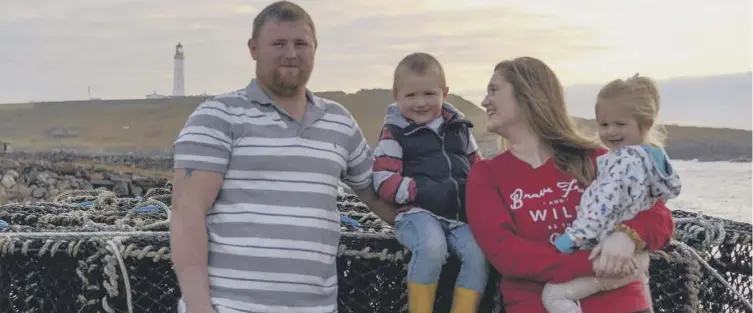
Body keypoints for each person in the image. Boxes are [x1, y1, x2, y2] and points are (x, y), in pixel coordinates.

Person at [169, 2, 397, 313]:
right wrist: (198, 307)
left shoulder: (339, 122)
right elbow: (187, 212)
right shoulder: (218, 116)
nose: (291, 53)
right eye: (278, 43)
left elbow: (378, 195)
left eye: (301, 43)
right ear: (253, 48)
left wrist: (445, 222)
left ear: (315, 48)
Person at [465, 56, 675, 313]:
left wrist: (627, 237)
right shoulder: (486, 175)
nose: (485, 101)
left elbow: (660, 217)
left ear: (527, 94)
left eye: (494, 90)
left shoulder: (596, 159)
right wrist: (597, 262)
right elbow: (507, 254)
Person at [543, 74, 682, 313]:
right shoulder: (649, 158)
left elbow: (600, 208)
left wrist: (568, 240)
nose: (611, 132)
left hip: (611, 259)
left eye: (620, 124)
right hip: (637, 256)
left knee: (553, 296)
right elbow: (665, 194)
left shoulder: (622, 163)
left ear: (645, 124)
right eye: (604, 125)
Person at [372, 52, 489, 313]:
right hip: (417, 213)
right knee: (432, 247)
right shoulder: (395, 132)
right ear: (396, 95)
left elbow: (479, 168)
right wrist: (417, 190)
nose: (421, 103)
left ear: (444, 93)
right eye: (411, 96)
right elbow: (383, 178)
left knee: (479, 254)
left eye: (429, 94)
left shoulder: (459, 128)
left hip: (459, 216)